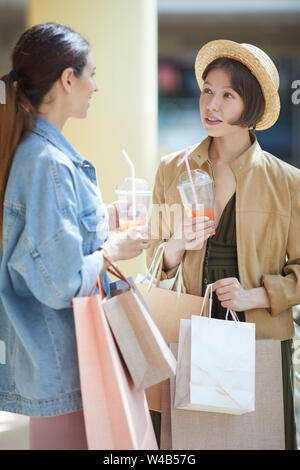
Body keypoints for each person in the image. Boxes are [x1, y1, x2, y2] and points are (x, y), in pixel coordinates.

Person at [0, 22, 148, 450]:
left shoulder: (30, 152)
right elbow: (62, 280)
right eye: (91, 74)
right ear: (68, 79)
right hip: (68, 361)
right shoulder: (46, 162)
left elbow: (44, 240)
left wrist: (105, 217)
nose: (95, 86)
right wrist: (112, 250)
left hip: (58, 364)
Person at [147, 40, 300, 449]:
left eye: (227, 95)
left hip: (261, 334)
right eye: (207, 90)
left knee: (258, 437)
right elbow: (154, 258)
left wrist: (257, 295)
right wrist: (178, 243)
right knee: (186, 444)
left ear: (250, 106)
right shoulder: (171, 168)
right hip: (187, 323)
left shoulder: (287, 181)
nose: (210, 104)